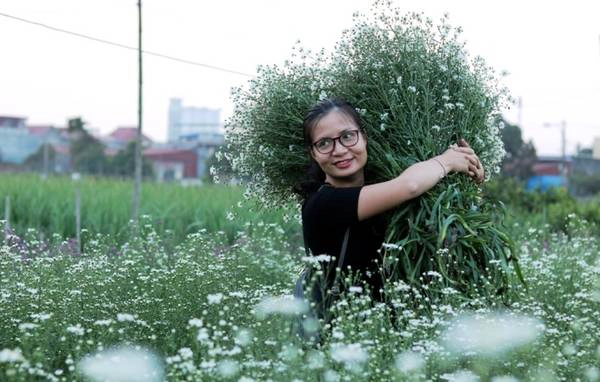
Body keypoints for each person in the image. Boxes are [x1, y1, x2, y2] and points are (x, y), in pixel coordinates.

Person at [297, 98, 484, 324]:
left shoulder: (383, 191)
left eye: (347, 136)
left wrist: (469, 175)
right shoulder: (323, 204)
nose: (339, 150)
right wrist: (448, 161)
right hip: (344, 337)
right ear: (314, 154)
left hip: (393, 332)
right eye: (324, 143)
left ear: (364, 137)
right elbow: (410, 185)